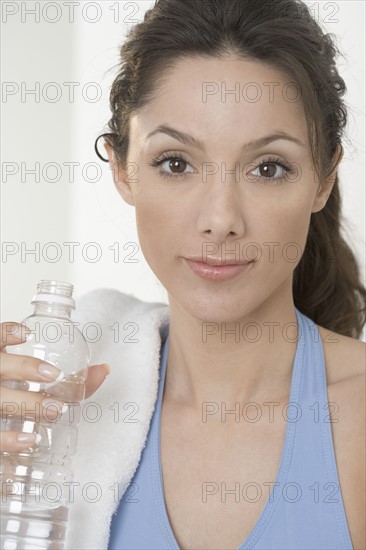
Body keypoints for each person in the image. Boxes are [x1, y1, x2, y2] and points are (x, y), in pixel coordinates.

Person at [1, 0, 365, 548]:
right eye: (176, 163)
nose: (220, 219)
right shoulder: (68, 410)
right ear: (124, 170)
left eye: (268, 168)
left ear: (322, 179)